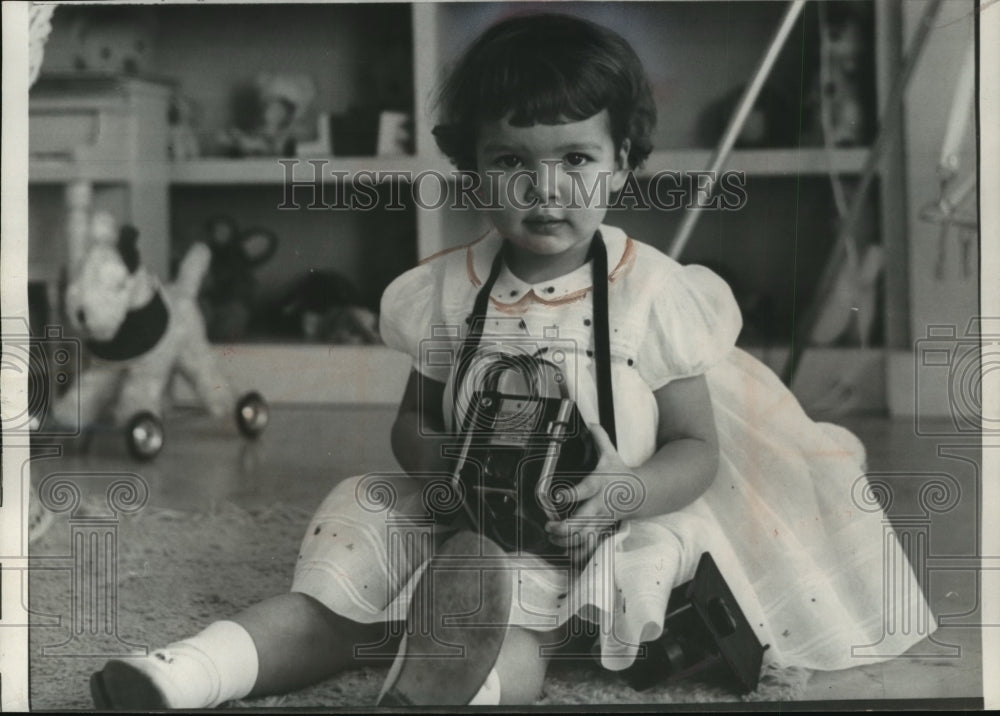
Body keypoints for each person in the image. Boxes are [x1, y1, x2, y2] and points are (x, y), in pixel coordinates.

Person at [90, 13, 934, 709]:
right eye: (511, 163)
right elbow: (415, 421)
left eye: (576, 160)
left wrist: (623, 491)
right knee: (340, 600)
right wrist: (444, 467)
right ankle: (191, 670)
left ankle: (453, 692)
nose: (545, 189)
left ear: (624, 164)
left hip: (593, 523)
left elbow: (695, 450)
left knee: (518, 633)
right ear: (472, 172)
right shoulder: (446, 292)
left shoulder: (654, 294)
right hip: (465, 513)